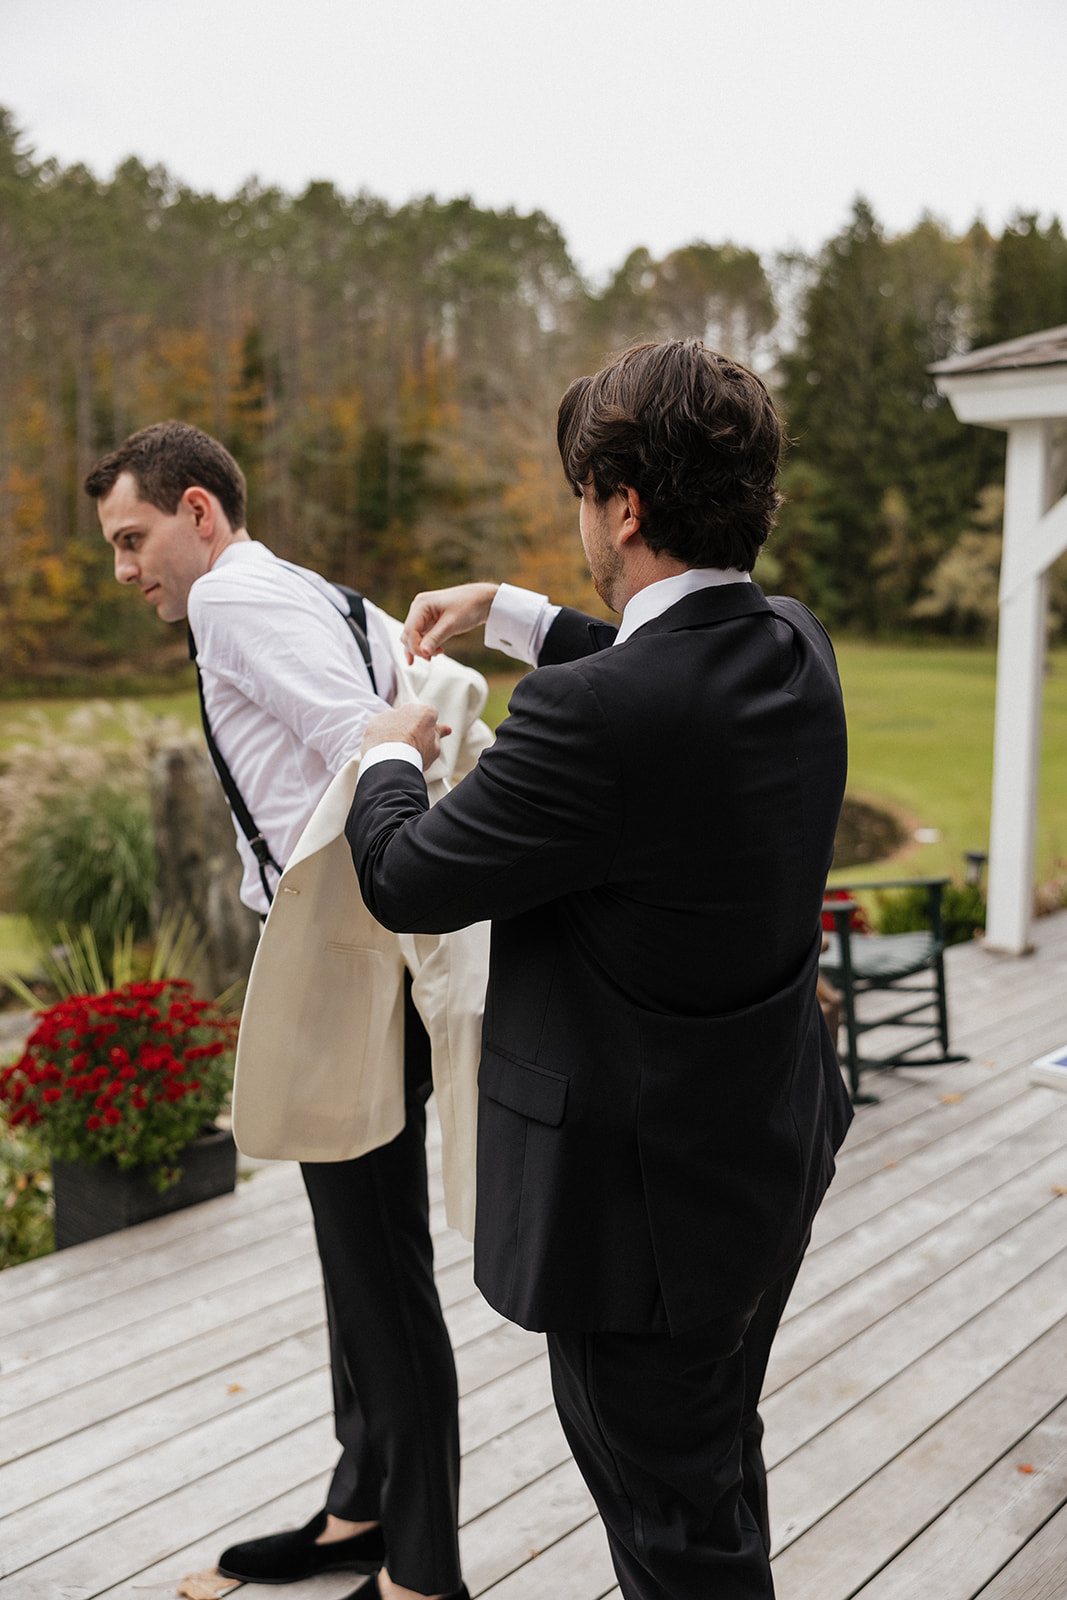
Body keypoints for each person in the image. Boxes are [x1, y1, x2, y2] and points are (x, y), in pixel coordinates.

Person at [345, 340, 854, 1600]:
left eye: (583, 493)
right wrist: (507, 609)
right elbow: (652, 661)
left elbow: (406, 874)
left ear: (621, 505)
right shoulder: (793, 646)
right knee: (709, 1468)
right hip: (760, 1159)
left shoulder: (596, 721)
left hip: (640, 1223)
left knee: (673, 1532)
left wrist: (387, 755)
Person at [85, 423, 468, 1600]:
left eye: (133, 538)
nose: (124, 569)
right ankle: (360, 1505)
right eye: (110, 548)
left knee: (378, 1260)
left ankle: (422, 1570)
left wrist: (386, 761)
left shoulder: (234, 606)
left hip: (341, 954)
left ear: (200, 510)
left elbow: (374, 739)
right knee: (354, 1254)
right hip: (359, 949)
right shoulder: (293, 584)